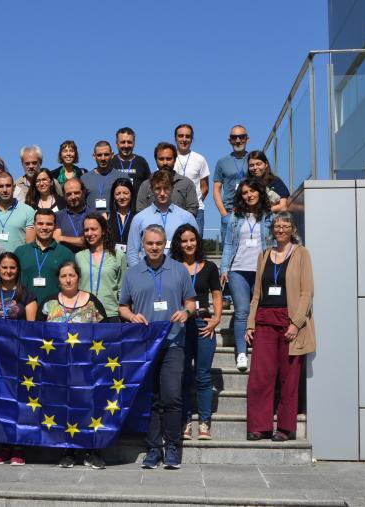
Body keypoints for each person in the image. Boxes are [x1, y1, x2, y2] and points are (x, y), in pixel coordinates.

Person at [118, 225, 196, 470]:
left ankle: (172, 446)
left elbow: (191, 302)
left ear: (165, 244)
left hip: (173, 342)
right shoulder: (132, 273)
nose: (154, 247)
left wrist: (185, 313)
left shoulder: (179, 270)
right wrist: (131, 317)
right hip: (145, 346)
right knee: (151, 398)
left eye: (158, 243)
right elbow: (122, 306)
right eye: (149, 243)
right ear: (143, 245)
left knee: (172, 396)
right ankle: (154, 448)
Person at [244, 212, 314, 442]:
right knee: (260, 376)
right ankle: (259, 426)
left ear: (293, 229)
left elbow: (307, 292)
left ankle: (285, 428)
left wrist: (296, 323)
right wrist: (250, 323)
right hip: (264, 319)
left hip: (289, 321)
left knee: (289, 377)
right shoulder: (264, 255)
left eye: (285, 225)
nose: (281, 229)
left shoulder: (302, 254)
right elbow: (256, 293)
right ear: (272, 229)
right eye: (277, 226)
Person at [39, 260, 107, 470]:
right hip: (57, 369)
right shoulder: (49, 303)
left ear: (78, 277)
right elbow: (37, 334)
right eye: (63, 276)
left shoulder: (92, 302)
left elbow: (105, 335)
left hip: (86, 368)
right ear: (58, 280)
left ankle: (90, 451)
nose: (68, 279)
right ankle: (67, 452)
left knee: (88, 409)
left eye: (72, 275)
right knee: (63, 410)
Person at [0, 252, 38, 465]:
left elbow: (31, 328)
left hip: (20, 356)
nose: (8, 271)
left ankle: (19, 447)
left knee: (20, 401)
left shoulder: (27, 295)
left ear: (18, 270)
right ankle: (3, 446)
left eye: (12, 267)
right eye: (4, 267)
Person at [170, 224, 222, 441]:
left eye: (192, 240)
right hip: (180, 326)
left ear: (197, 242)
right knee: (183, 375)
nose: (188, 244)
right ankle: (184, 421)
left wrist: (216, 320)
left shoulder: (209, 267)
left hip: (202, 324)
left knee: (202, 376)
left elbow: (217, 295)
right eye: (184, 240)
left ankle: (203, 422)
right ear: (178, 244)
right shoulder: (173, 267)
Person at [220, 177, 275, 373]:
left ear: (259, 192)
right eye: (245, 193)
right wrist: (224, 268)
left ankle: (259, 349)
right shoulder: (234, 218)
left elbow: (275, 243)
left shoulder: (269, 216)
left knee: (260, 310)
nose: (249, 195)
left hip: (262, 269)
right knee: (242, 310)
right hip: (238, 270)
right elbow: (227, 244)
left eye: (252, 191)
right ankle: (241, 353)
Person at [127, 169, 197, 267]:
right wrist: (139, 276)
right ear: (151, 189)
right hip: (147, 275)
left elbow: (196, 249)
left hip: (177, 274)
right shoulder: (139, 219)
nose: (162, 193)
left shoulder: (186, 218)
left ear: (172, 188)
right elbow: (132, 252)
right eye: (158, 188)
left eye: (166, 188)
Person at [14, 209, 75, 303]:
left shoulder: (66, 254)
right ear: (34, 226)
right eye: (40, 223)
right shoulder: (20, 252)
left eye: (49, 224)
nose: (44, 227)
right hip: (24, 309)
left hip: (54, 310)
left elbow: (72, 285)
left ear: (55, 226)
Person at [75, 213, 126, 322]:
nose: (89, 233)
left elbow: (122, 289)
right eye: (86, 230)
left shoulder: (118, 256)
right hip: (84, 313)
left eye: (93, 229)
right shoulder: (79, 256)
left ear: (103, 231)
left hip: (110, 314)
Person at [135, 142, 199, 217]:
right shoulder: (146, 185)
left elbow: (192, 209)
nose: (165, 163)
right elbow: (140, 211)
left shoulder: (186, 184)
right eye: (161, 159)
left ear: (175, 160)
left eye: (168, 159)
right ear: (156, 160)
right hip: (152, 227)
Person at [213, 125, 250, 243]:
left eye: (241, 137)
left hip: (251, 213)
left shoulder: (254, 160)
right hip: (229, 212)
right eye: (234, 138)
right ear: (230, 141)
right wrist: (224, 213)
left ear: (247, 139)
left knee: (251, 251)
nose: (238, 141)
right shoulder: (222, 162)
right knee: (228, 254)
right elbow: (216, 190)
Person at [0, 172, 36, 252]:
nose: (5, 190)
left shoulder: (28, 211)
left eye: (8, 186)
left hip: (18, 262)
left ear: (14, 187)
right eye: (1, 186)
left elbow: (30, 245)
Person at [173, 125, 210, 233]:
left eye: (187, 136)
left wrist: (193, 201)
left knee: (195, 245)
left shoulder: (200, 159)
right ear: (175, 138)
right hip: (173, 209)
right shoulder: (168, 158)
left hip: (196, 211)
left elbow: (205, 187)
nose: (184, 139)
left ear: (192, 139)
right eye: (181, 136)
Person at [109, 127, 151, 206]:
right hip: (114, 211)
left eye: (129, 142)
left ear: (134, 143)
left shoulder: (141, 161)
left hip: (137, 210)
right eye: (122, 142)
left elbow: (149, 188)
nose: (126, 145)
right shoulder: (110, 161)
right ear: (116, 143)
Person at [81, 141, 121, 213]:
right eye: (99, 155)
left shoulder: (121, 177)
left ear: (112, 155)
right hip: (91, 222)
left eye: (106, 155)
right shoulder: (84, 179)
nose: (103, 158)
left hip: (114, 222)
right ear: (94, 156)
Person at [54, 178, 92, 253]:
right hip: (66, 260)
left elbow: (89, 240)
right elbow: (56, 239)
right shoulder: (58, 216)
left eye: (76, 193)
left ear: (83, 192)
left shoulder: (93, 215)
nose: (73, 197)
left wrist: (62, 238)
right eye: (69, 194)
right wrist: (79, 240)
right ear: (64, 195)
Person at [106, 178, 135, 253]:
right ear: (113, 197)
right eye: (118, 194)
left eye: (125, 193)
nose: (122, 197)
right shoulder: (107, 217)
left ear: (131, 195)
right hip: (112, 259)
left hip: (132, 259)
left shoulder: (138, 217)